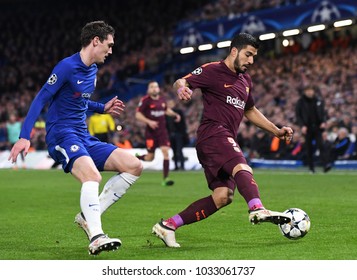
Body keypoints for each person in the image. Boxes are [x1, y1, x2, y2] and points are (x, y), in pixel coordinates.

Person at [8, 21, 143, 255]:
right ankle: (96, 236)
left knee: (134, 166)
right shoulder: (66, 67)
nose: (111, 51)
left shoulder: (93, 71)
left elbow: (79, 100)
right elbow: (41, 99)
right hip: (61, 134)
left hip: (83, 135)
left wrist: (102, 108)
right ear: (96, 41)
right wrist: (24, 136)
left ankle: (87, 215)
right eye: (109, 45)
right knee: (92, 176)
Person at [152, 33, 293, 248]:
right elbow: (181, 81)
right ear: (234, 51)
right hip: (213, 134)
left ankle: (168, 225)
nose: (251, 61)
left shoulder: (246, 80)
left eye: (254, 56)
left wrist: (275, 130)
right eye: (248, 55)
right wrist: (182, 88)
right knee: (241, 166)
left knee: (223, 197)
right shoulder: (212, 70)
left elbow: (251, 110)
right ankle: (256, 208)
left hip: (220, 140)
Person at [135, 81, 180, 186]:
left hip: (162, 132)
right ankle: (139, 157)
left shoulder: (162, 100)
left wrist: (174, 115)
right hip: (151, 133)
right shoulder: (145, 101)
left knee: (166, 153)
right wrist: (149, 121)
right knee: (150, 158)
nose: (154, 89)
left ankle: (166, 178)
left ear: (158, 89)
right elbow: (138, 115)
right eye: (152, 87)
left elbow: (166, 110)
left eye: (156, 87)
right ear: (148, 90)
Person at [295, 85, 330, 173]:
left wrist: (323, 122)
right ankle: (311, 167)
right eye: (308, 91)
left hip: (318, 127)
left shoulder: (319, 100)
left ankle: (325, 165)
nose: (309, 92)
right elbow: (298, 115)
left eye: (311, 90)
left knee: (321, 145)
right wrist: (302, 125)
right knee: (309, 148)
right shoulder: (300, 102)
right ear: (305, 92)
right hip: (307, 127)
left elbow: (323, 113)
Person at [166, 99, 188, 170]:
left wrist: (183, 134)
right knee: (174, 151)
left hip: (178, 134)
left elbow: (183, 124)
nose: (170, 105)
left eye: (171, 103)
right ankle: (176, 166)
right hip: (171, 134)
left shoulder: (178, 112)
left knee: (179, 150)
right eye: (169, 104)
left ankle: (182, 166)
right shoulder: (166, 114)